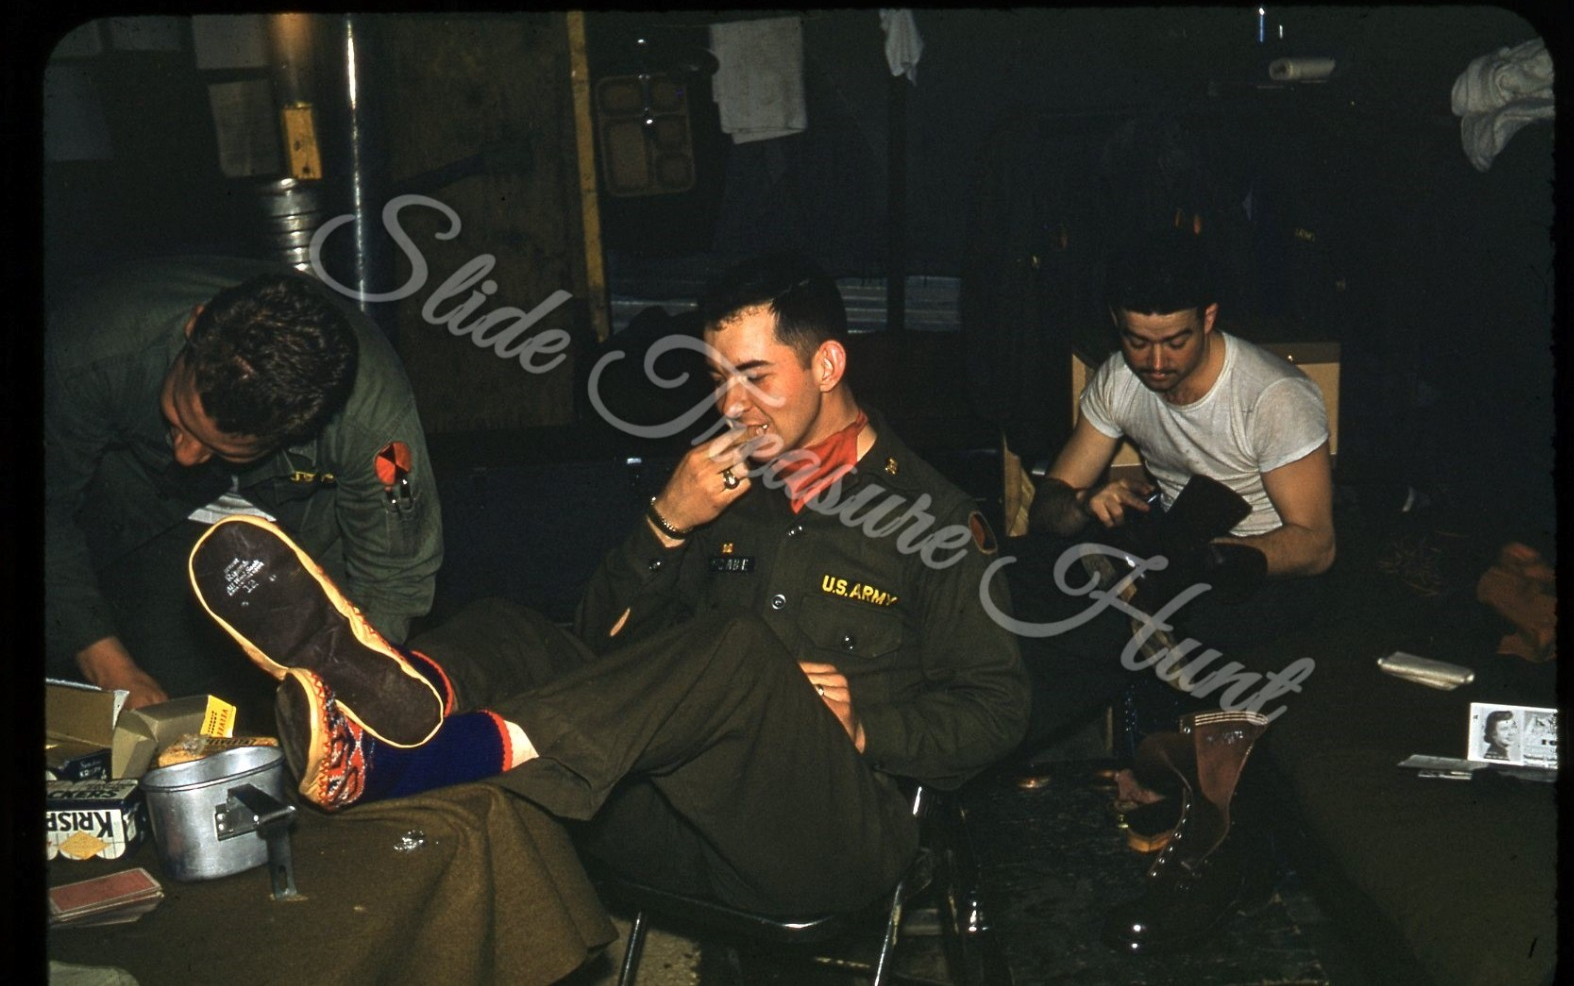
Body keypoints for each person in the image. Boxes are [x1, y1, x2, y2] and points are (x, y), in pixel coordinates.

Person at [187, 252, 1030, 916]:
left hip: (828, 841)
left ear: (828, 364)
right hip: (681, 819)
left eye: (755, 376)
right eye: (717, 381)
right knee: (515, 626)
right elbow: (596, 649)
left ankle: (422, 757)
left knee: (737, 650)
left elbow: (998, 709)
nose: (732, 407)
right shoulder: (723, 488)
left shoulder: (935, 519)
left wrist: (867, 728)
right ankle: (390, 699)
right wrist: (666, 521)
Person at [1008, 225, 1335, 953]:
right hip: (1177, 550)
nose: (1155, 362)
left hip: (1264, 568)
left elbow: (1315, 545)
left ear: (1209, 318)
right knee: (1031, 567)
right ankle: (999, 715)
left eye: (1176, 341)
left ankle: (1204, 834)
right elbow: (1050, 506)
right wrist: (1087, 503)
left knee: (1172, 612)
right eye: (1138, 341)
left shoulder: (1272, 396)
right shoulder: (1121, 379)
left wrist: (1219, 560)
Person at [45, 256, 443, 714]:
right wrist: (110, 666)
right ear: (194, 327)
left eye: (222, 448)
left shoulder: (371, 424)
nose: (185, 455)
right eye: (179, 419)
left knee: (329, 699)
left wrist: (348, 698)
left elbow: (394, 577)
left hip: (308, 522)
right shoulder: (91, 353)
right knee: (168, 709)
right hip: (151, 510)